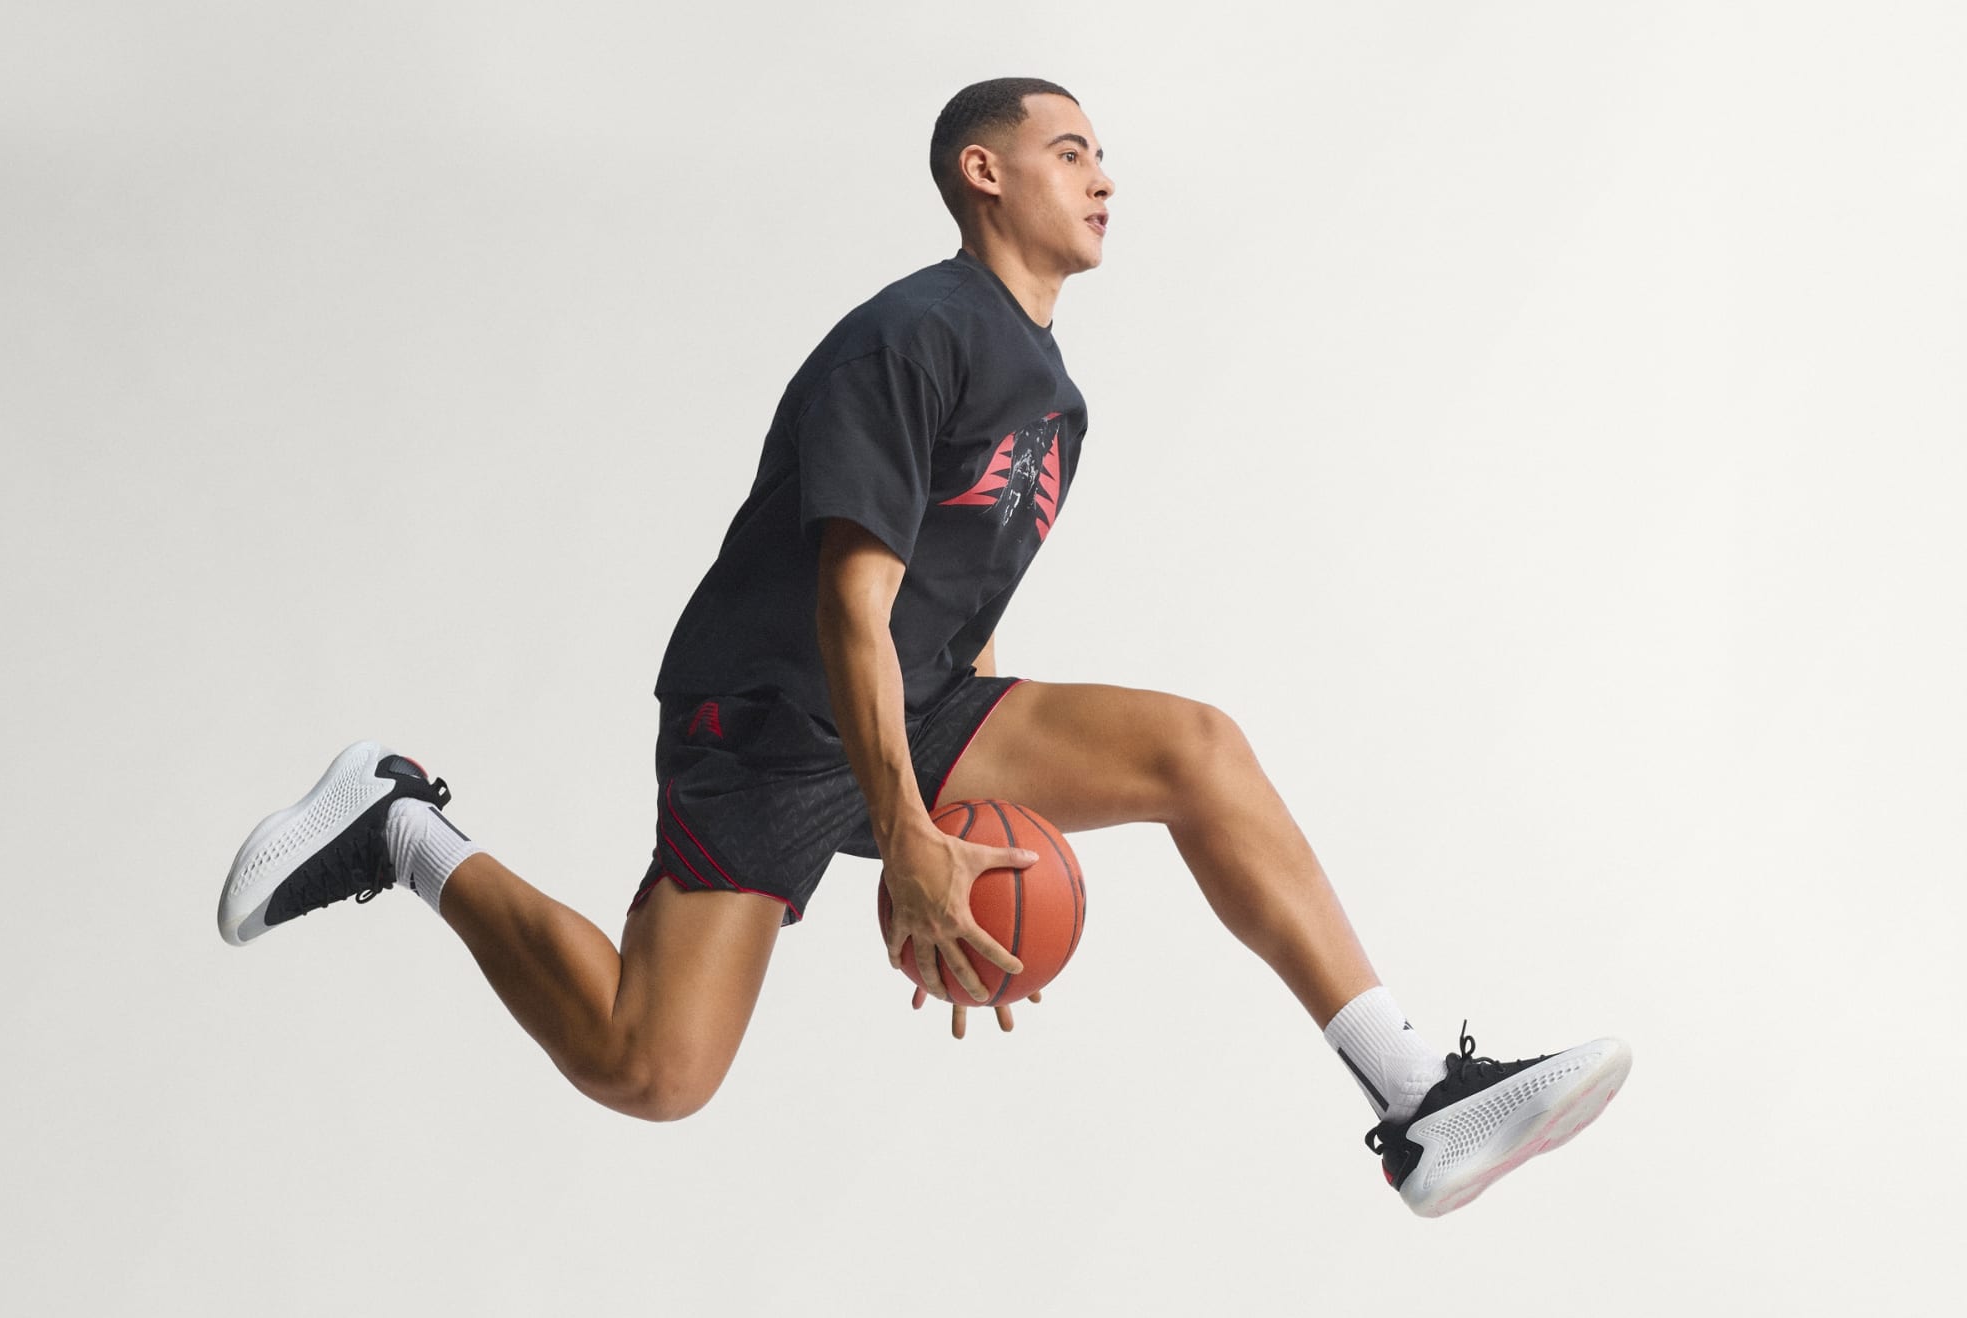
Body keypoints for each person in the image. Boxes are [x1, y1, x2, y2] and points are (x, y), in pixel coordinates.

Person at [216, 77, 1629, 1218]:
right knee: (653, 1070)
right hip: (768, 719)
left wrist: (962, 833)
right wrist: (903, 832)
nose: (1105, 178)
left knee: (1195, 750)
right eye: (1071, 151)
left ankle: (1413, 1098)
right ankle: (398, 823)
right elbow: (852, 602)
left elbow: (957, 602)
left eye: (1105, 157)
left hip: (919, 696)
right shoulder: (912, 336)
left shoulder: (1056, 396)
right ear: (982, 171)